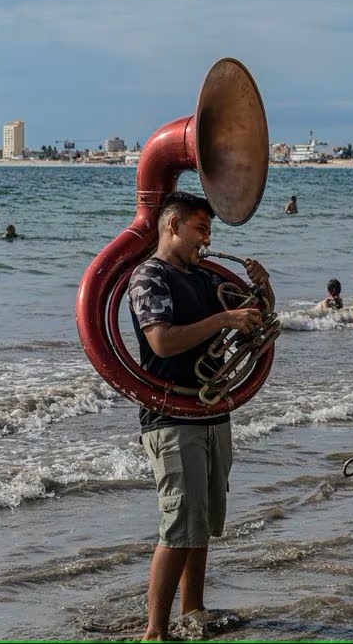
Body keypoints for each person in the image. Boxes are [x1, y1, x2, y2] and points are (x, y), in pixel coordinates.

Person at [126, 191, 273, 641]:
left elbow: (256, 320)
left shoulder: (204, 277)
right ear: (172, 225)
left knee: (202, 518)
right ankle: (155, 630)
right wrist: (222, 320)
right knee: (178, 523)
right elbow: (162, 342)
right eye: (201, 230)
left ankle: (193, 609)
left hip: (209, 410)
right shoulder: (150, 277)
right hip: (171, 416)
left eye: (209, 232)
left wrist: (263, 291)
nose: (206, 242)